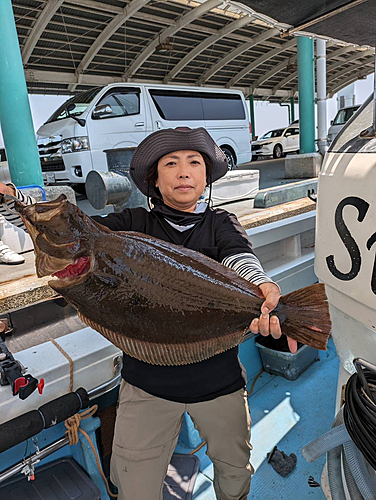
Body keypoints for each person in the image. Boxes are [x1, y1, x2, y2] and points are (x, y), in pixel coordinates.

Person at [0, 127, 297, 500]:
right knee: (134, 485)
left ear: (206, 177)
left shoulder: (222, 224)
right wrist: (15, 202)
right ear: (154, 180)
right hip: (147, 386)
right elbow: (71, 234)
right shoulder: (130, 226)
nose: (184, 171)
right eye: (171, 164)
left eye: (194, 163)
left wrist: (262, 291)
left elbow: (240, 259)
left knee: (234, 470)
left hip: (220, 382)